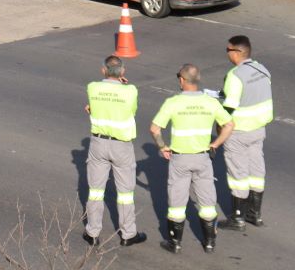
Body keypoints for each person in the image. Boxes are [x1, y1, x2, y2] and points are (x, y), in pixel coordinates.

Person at [150, 64, 234, 254]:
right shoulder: (211, 103)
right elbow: (229, 124)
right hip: (203, 158)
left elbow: (155, 129)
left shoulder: (173, 102)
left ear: (182, 80)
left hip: (180, 159)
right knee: (206, 201)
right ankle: (210, 242)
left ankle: (175, 243)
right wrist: (215, 144)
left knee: (177, 203)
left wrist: (163, 147)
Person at [82, 55, 146, 247]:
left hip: (98, 144)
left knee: (95, 191)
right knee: (125, 192)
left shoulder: (93, 88)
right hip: (121, 146)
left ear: (103, 70)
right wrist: (123, 84)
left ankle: (92, 232)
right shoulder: (131, 91)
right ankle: (128, 234)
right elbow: (130, 111)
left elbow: (93, 107)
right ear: (123, 72)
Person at [218, 35, 273, 229]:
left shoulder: (235, 75)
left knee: (237, 174)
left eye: (228, 50)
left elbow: (228, 110)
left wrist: (220, 128)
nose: (226, 53)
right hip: (259, 128)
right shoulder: (262, 69)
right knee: (257, 170)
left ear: (237, 52)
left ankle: (237, 218)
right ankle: (255, 214)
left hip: (239, 131)